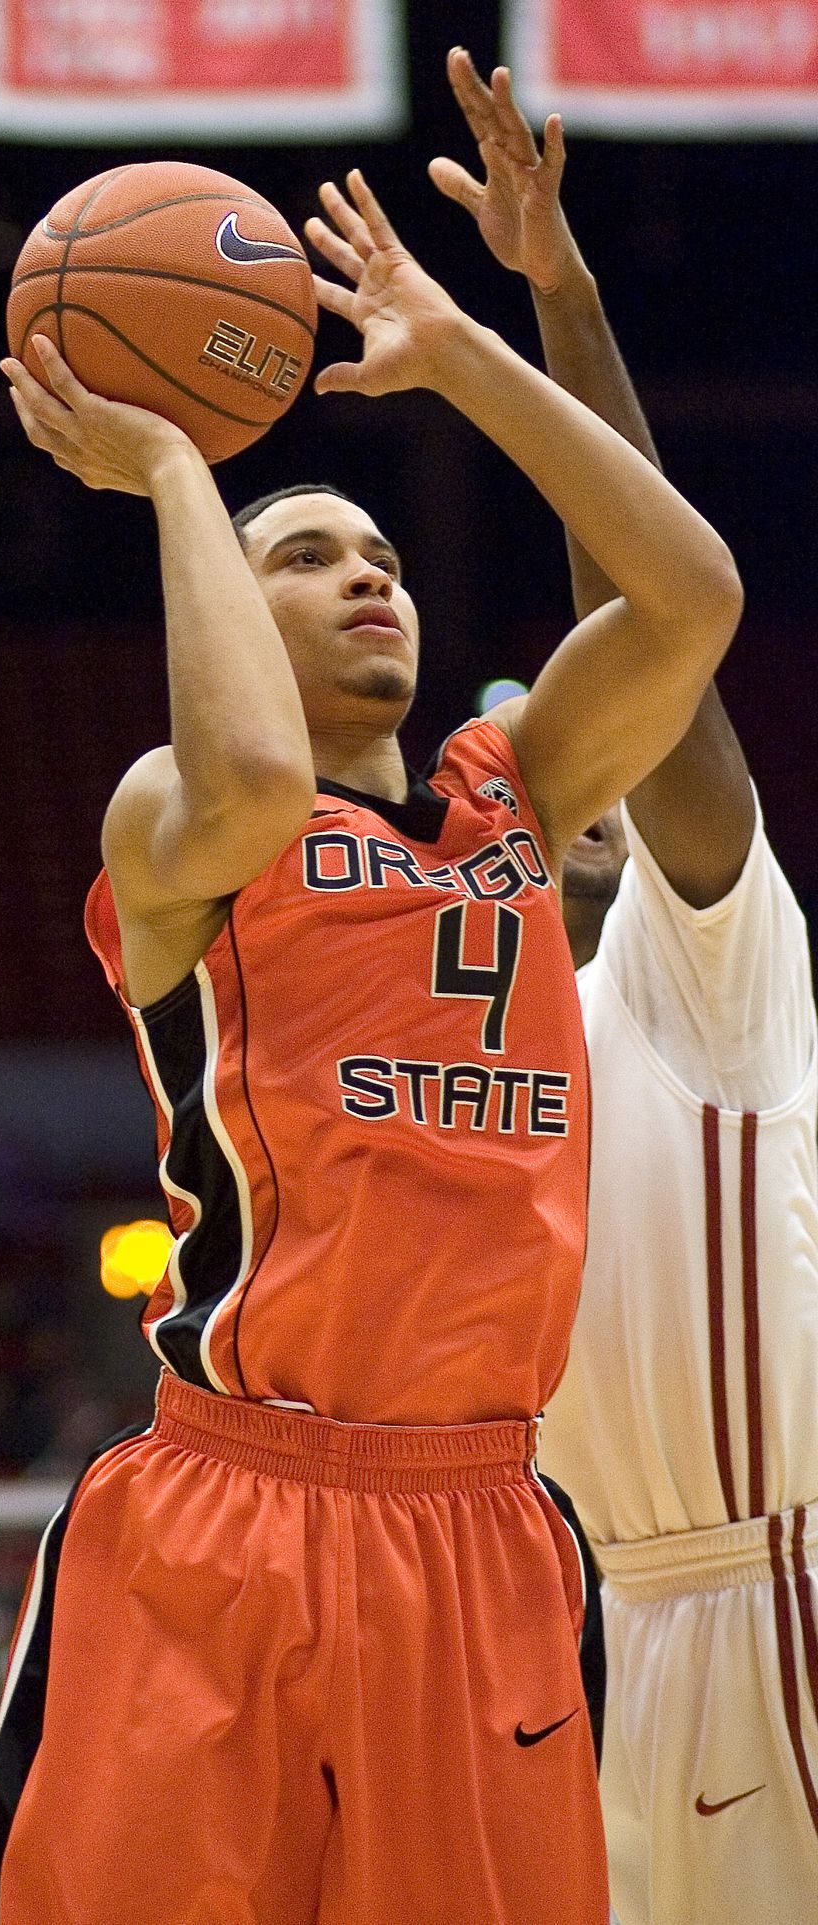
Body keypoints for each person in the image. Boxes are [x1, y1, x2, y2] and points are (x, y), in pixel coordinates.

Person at [0, 146, 743, 1925]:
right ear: (224, 615)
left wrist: (466, 349)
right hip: (222, 1510)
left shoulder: (511, 796)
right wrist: (178, 465)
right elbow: (254, 769)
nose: (369, 579)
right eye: (307, 560)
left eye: (385, 555)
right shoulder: (178, 820)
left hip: (480, 1523)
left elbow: (690, 595)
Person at [432, 45, 818, 1924]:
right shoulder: (462, 1051)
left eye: (573, 748)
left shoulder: (702, 962)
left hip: (775, 1591)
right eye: (513, 757)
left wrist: (555, 301)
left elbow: (651, 622)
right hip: (578, 1644)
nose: (556, 775)